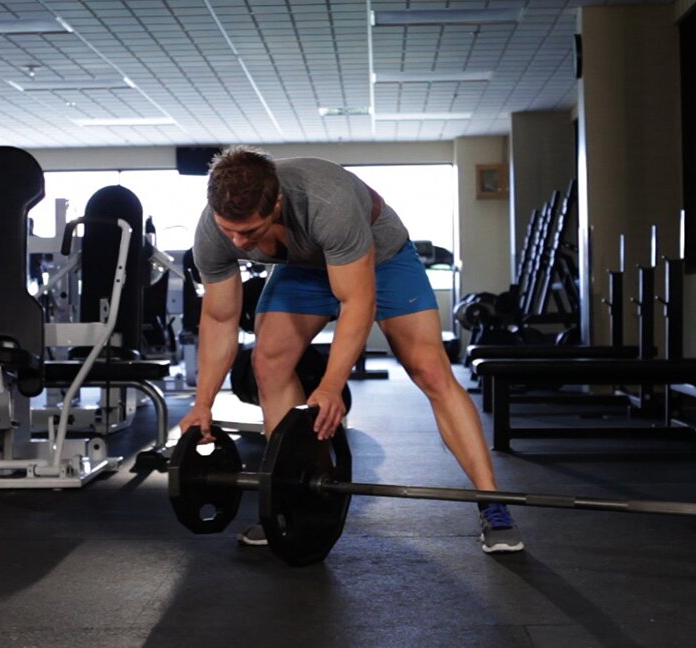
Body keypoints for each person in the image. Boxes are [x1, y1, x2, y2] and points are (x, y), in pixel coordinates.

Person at [175, 146, 524, 554]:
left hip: (381, 256)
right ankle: (292, 497)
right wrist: (204, 403)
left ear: (277, 203)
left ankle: (492, 504)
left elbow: (357, 303)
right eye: (228, 230)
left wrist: (329, 386)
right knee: (268, 362)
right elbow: (219, 319)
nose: (237, 241)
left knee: (430, 369)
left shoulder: (327, 203)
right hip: (303, 268)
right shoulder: (213, 232)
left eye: (249, 233)